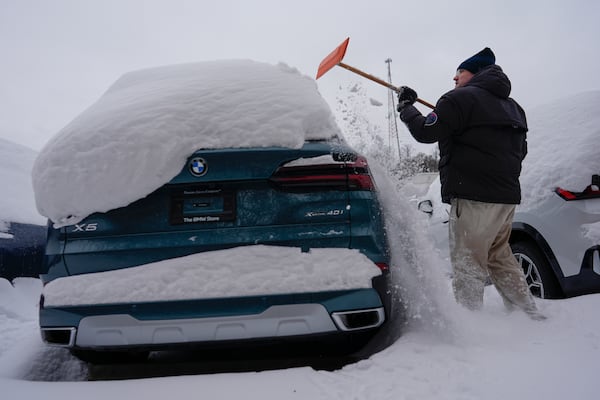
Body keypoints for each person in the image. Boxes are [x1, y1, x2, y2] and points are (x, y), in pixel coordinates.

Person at [396, 47, 545, 320]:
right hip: (506, 198)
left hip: (474, 197)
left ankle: (470, 327)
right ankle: (529, 314)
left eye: (459, 73)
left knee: (468, 264)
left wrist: (407, 108)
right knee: (500, 257)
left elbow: (426, 131)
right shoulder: (514, 108)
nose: (454, 80)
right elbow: (519, 152)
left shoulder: (459, 100)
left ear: (475, 73)